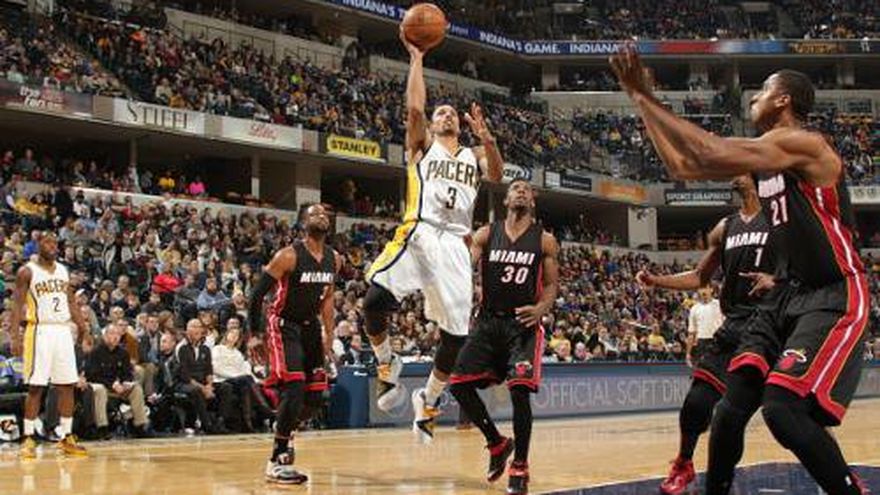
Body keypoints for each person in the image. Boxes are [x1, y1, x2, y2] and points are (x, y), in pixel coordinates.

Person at [612, 46, 870, 494]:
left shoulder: (805, 143)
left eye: (762, 91)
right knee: (729, 411)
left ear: (784, 100)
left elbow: (706, 148)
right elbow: (682, 164)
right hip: (787, 296)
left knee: (783, 409)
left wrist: (647, 96)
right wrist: (639, 100)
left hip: (833, 291)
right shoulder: (763, 163)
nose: (753, 98)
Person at [363, 27, 503, 444]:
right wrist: (416, 59)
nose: (446, 116)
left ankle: (428, 401)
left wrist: (488, 138)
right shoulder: (422, 145)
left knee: (456, 335)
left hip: (456, 243)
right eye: (440, 112)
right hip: (421, 231)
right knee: (374, 300)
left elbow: (497, 175)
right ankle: (386, 364)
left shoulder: (473, 154)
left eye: (451, 113)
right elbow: (414, 110)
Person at [637, 175, 772, 495]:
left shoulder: (778, 218)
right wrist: (657, 280)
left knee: (790, 412)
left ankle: (835, 470)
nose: (730, 171)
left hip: (769, 326)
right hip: (734, 326)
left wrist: (776, 280)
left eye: (738, 166)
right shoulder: (725, 227)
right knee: (696, 402)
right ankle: (683, 464)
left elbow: (804, 266)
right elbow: (700, 276)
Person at [449, 179, 559, 495]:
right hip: (487, 323)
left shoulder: (545, 240)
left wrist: (541, 308)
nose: (521, 191)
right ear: (506, 199)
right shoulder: (486, 233)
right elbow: (463, 269)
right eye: (515, 188)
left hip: (522, 325)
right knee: (457, 384)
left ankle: (520, 465)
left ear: (532, 202)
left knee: (520, 391)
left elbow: (551, 285)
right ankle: (497, 443)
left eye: (526, 189)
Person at [248, 204, 342, 485]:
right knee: (295, 385)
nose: (321, 216)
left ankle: (284, 428)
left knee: (315, 397)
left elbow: (327, 297)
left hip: (310, 327)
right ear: (303, 223)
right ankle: (277, 460)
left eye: (324, 214)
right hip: (283, 324)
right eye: (314, 214)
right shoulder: (288, 256)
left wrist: (329, 334)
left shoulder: (335, 259)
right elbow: (257, 295)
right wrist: (254, 333)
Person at [8, 231, 89, 458]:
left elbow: (70, 301)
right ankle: (28, 438)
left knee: (67, 385)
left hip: (62, 330)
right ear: (38, 245)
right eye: (47, 242)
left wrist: (82, 326)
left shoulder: (63, 270)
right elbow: (17, 305)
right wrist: (15, 336)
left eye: (55, 243)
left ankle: (66, 436)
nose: (53, 246)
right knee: (36, 386)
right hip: (39, 330)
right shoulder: (27, 271)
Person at [86, 322, 151, 438]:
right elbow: (93, 375)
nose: (115, 337)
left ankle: (139, 425)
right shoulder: (95, 352)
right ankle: (102, 427)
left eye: (118, 334)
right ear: (105, 336)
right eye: (112, 333)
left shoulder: (123, 353)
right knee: (100, 389)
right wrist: (112, 384)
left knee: (136, 389)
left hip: (119, 387)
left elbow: (127, 373)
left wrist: (126, 382)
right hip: (103, 386)